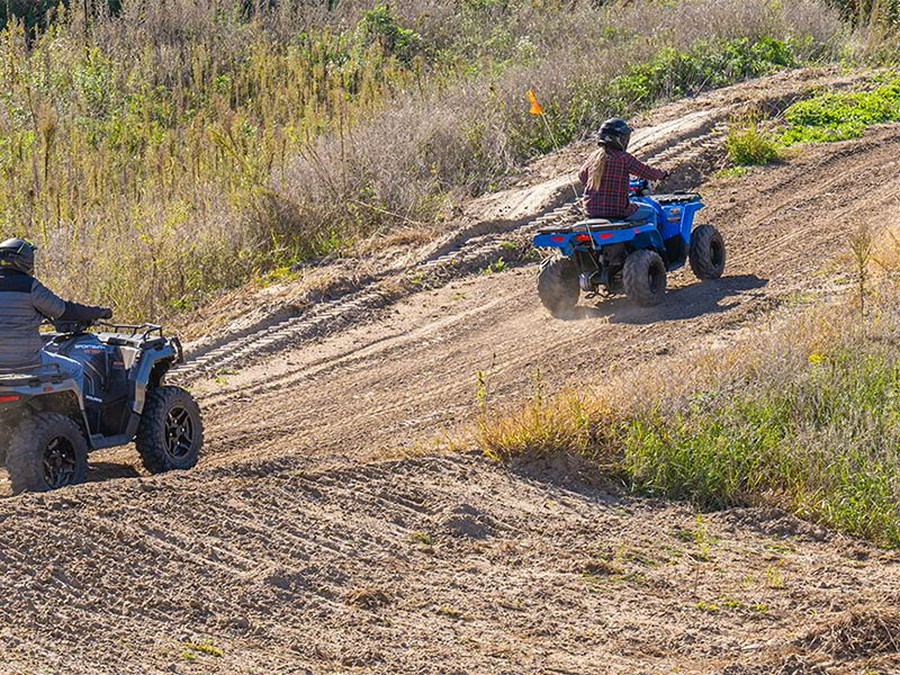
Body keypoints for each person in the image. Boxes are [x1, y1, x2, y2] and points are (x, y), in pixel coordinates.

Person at [0, 238, 111, 391]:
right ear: (25, 260)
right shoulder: (29, 286)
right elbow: (63, 310)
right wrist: (99, 312)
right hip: (26, 361)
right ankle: (80, 413)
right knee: (75, 369)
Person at [579, 117, 669, 225]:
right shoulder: (623, 158)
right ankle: (653, 242)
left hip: (591, 211)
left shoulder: (593, 157)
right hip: (616, 211)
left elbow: (582, 176)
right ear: (620, 139)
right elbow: (647, 172)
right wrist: (663, 174)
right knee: (651, 212)